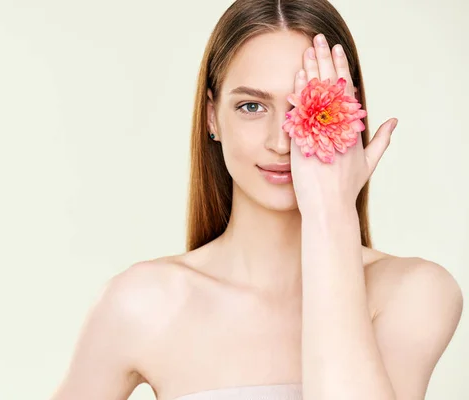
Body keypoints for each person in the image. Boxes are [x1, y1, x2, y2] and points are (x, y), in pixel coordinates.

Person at [50, 0, 463, 399]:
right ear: (212, 116)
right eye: (251, 106)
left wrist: (332, 215)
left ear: (349, 114)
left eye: (305, 108)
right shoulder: (142, 303)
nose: (282, 142)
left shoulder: (413, 293)